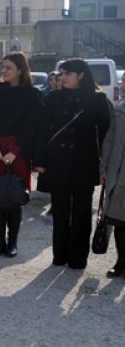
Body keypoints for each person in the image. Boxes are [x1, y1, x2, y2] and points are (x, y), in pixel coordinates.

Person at [35, 58, 111, 269]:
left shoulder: (97, 100)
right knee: (59, 211)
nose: (63, 78)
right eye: (62, 74)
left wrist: (105, 166)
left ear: (81, 75)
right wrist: (39, 160)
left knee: (81, 212)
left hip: (84, 163)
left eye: (67, 73)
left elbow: (106, 136)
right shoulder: (54, 97)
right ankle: (59, 255)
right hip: (57, 162)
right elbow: (43, 129)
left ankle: (77, 258)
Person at [0, 53, 43, 258]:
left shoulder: (32, 94)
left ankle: (12, 242)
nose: (3, 71)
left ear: (20, 70)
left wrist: (15, 150)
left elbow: (32, 126)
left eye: (8, 67)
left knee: (14, 197)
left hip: (18, 151)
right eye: (3, 67)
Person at [100, 72, 125, 277]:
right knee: (118, 221)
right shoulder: (119, 109)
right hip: (119, 175)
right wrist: (104, 169)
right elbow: (109, 141)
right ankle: (121, 262)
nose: (123, 84)